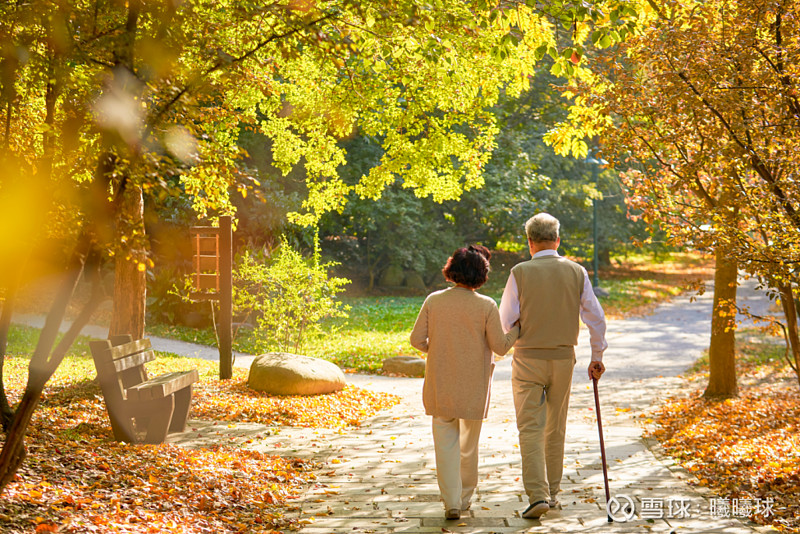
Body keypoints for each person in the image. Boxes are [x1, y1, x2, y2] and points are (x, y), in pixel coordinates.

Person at [498, 213, 607, 520]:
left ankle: (537, 496)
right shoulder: (576, 272)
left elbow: (506, 319)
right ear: (558, 240)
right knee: (555, 427)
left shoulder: (520, 272)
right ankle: (555, 493)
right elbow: (595, 318)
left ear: (530, 242)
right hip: (563, 360)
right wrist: (596, 355)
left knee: (530, 428)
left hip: (528, 359)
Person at [410, 245, 520, 520]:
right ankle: (465, 497)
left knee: (444, 445)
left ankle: (450, 502)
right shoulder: (486, 305)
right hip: (474, 386)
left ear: (452, 270)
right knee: (468, 446)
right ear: (481, 275)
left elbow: (416, 340)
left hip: (441, 383)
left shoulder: (434, 300)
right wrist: (517, 328)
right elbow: (500, 345)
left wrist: (436, 350)